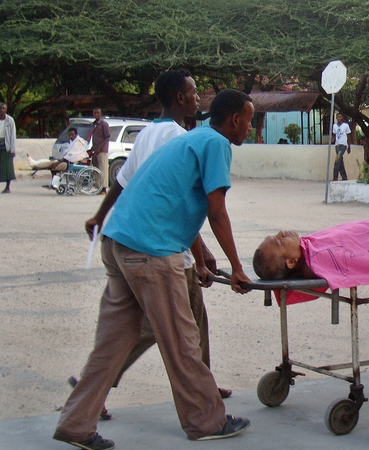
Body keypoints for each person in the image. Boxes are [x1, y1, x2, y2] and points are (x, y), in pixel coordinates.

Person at [53, 89, 254, 450]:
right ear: (235, 119)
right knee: (182, 340)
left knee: (113, 343)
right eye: (249, 121)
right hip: (150, 250)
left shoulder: (191, 139)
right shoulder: (216, 143)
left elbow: (178, 203)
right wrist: (238, 268)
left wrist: (201, 258)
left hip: (119, 241)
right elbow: (215, 210)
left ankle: (75, 424)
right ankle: (206, 421)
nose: (250, 128)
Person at [78, 70, 231, 422]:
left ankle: (202, 388)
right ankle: (199, 404)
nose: (197, 98)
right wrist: (200, 255)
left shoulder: (148, 132)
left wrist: (100, 215)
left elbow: (124, 181)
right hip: (163, 246)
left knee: (186, 322)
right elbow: (174, 199)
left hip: (143, 239)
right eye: (193, 92)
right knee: (172, 329)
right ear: (180, 98)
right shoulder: (179, 137)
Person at [88, 107, 111, 193]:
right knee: (96, 169)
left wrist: (99, 147)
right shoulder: (93, 124)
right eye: (94, 113)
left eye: (98, 113)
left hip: (102, 150)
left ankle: (103, 188)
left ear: (100, 114)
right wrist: (92, 149)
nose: (96, 115)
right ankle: (98, 187)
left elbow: (107, 137)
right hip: (95, 150)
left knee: (103, 169)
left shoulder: (104, 124)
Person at [0, 102, 17, 194]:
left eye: (3, 108)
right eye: (0, 108)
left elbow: (13, 136)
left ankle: (7, 187)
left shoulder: (10, 120)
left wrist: (12, 150)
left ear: (6, 110)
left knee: (7, 167)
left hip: (6, 145)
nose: (1, 110)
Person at [332, 112, 352, 181]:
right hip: (337, 145)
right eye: (338, 117)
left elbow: (349, 136)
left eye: (340, 117)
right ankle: (344, 177)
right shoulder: (334, 126)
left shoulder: (346, 125)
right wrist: (332, 140)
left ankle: (335, 177)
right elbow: (334, 135)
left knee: (337, 160)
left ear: (342, 118)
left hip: (343, 145)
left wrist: (349, 147)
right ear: (336, 118)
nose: (339, 118)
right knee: (340, 162)